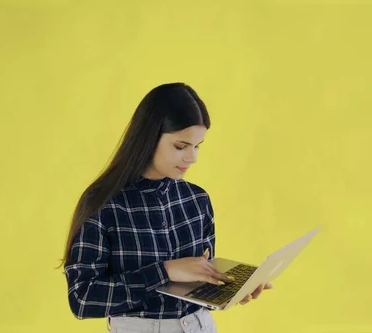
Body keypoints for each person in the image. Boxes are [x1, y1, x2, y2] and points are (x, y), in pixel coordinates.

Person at [60, 82, 271, 333]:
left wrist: (231, 291)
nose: (192, 158)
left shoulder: (197, 199)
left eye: (197, 146)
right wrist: (164, 271)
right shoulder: (104, 204)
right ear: (149, 138)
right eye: (180, 146)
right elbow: (82, 299)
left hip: (200, 326)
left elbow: (196, 282)